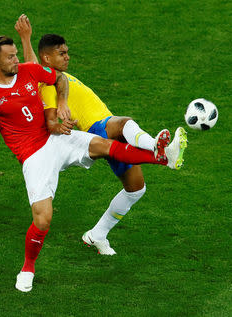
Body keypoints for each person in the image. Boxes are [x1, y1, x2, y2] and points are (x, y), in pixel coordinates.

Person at [0, 35, 183, 292]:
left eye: (16, 54)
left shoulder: (29, 71)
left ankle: (160, 156)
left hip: (57, 139)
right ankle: (28, 268)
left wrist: (63, 102)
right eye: (10, 57)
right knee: (43, 221)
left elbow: (59, 78)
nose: (16, 60)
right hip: (34, 157)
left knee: (105, 147)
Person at [15, 14, 188, 255]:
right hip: (97, 129)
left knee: (136, 189)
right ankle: (157, 148)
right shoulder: (48, 88)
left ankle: (97, 235)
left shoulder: (47, 75)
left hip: (103, 125)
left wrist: (26, 38)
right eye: (61, 53)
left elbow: (32, 66)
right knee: (125, 122)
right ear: (48, 58)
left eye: (67, 52)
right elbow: (50, 118)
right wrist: (56, 124)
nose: (67, 57)